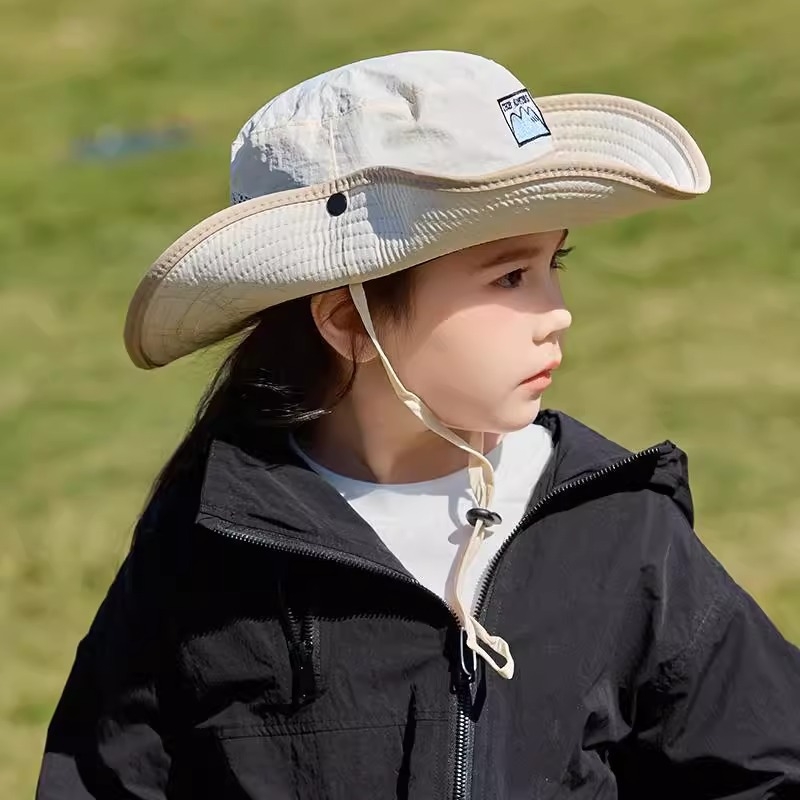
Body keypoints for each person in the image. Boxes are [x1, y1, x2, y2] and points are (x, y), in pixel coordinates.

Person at [36, 50, 800, 800]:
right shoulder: (209, 547)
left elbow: (769, 765)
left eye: (551, 266)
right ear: (349, 322)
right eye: (508, 276)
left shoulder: (617, 527)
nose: (556, 313)